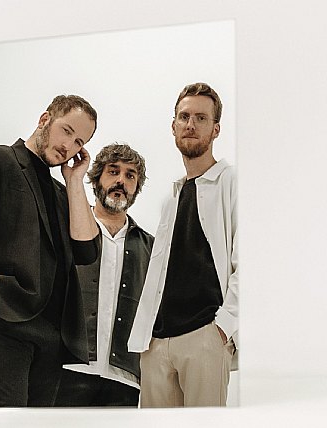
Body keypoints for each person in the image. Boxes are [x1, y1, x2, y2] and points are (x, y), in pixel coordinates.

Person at [0, 94, 101, 407]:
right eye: (66, 131)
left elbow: (87, 250)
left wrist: (75, 181)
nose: (68, 146)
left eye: (79, 142)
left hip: (53, 331)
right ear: (45, 119)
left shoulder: (63, 193)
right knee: (6, 419)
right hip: (5, 316)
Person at [128, 82, 238, 407]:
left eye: (201, 118)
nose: (191, 124)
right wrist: (148, 339)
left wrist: (224, 326)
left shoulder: (232, 182)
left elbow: (249, 262)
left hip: (205, 336)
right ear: (173, 125)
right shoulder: (171, 198)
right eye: (184, 117)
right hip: (156, 343)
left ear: (216, 129)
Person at [54, 143, 154, 407]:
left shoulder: (151, 248)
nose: (121, 181)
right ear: (97, 178)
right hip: (68, 369)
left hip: (125, 379)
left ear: (136, 187)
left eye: (130, 175)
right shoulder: (67, 227)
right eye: (113, 171)